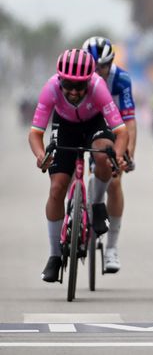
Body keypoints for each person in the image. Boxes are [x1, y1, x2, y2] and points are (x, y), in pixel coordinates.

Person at [28, 49, 129, 282]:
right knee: (57, 188)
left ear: (89, 81)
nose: (74, 91)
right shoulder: (51, 88)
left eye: (80, 86)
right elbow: (35, 134)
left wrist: (118, 156)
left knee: (103, 153)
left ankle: (96, 204)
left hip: (94, 124)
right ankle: (54, 257)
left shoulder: (97, 87)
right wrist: (40, 155)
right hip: (64, 127)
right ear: (60, 79)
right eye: (69, 85)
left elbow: (120, 131)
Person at [82, 36, 137, 274]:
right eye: (93, 67)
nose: (97, 72)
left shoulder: (121, 80)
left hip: (115, 129)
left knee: (115, 182)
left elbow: (130, 121)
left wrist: (127, 154)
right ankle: (78, 215)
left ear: (111, 62)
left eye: (102, 67)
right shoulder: (79, 78)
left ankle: (112, 247)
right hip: (85, 126)